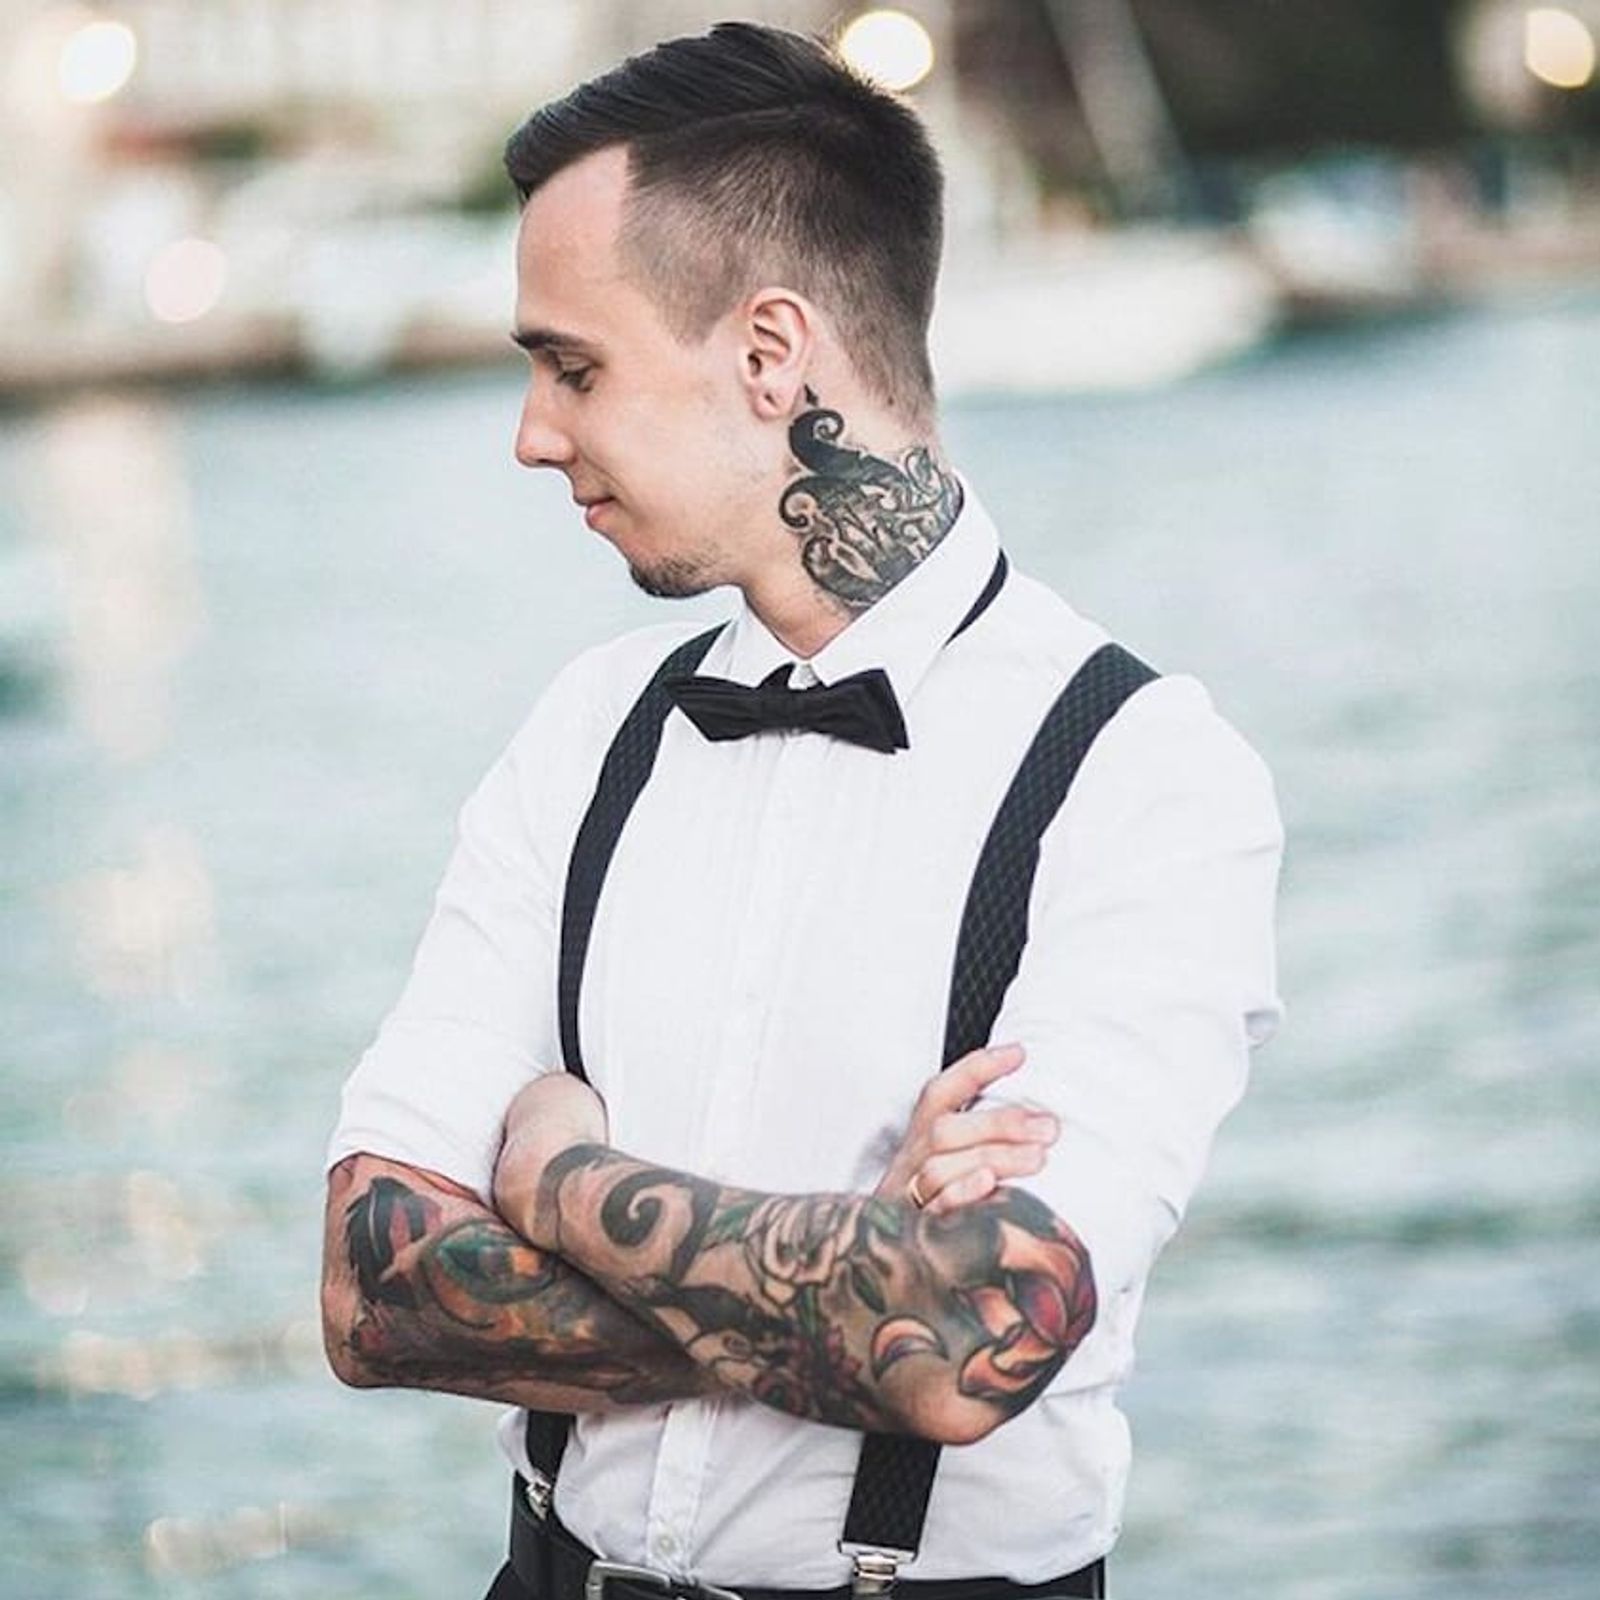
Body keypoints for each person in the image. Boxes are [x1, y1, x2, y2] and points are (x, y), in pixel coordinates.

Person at [319, 21, 1283, 1600]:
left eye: (574, 366)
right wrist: (845, 1276)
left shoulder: (1142, 773)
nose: (533, 433)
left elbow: (965, 1332)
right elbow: (378, 1292)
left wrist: (553, 1183)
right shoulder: (586, 733)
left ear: (772, 355)